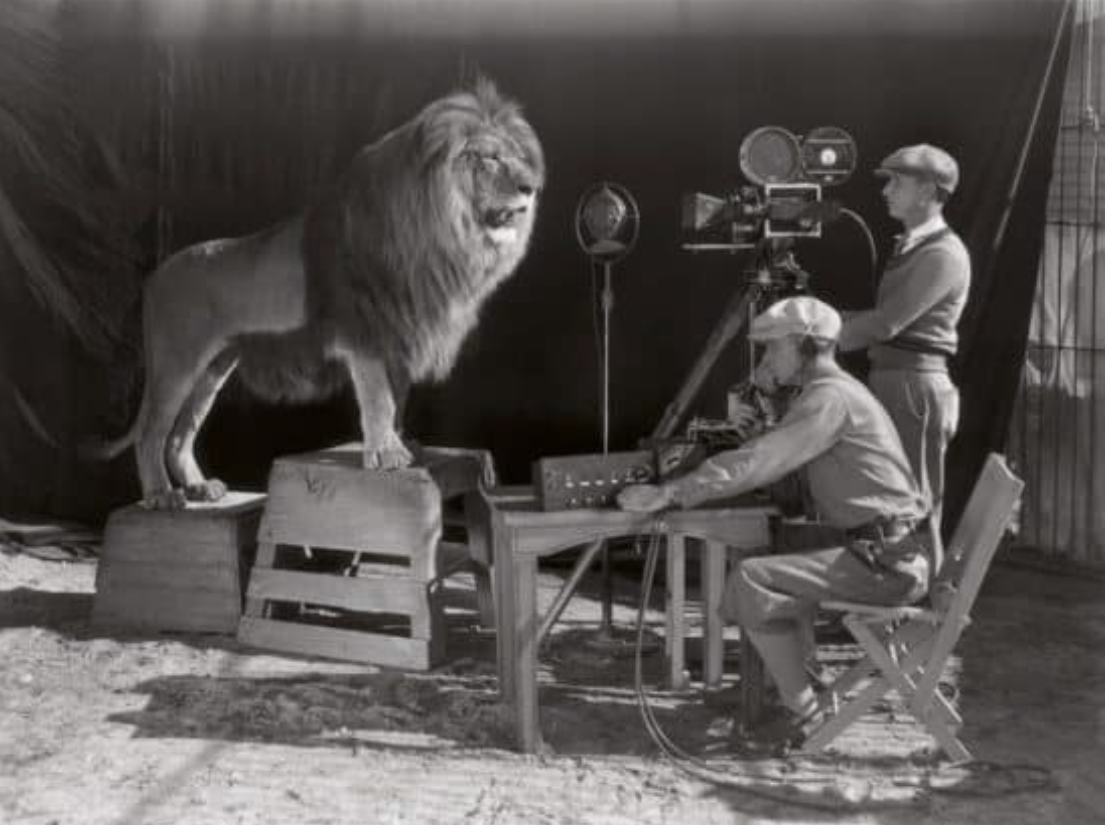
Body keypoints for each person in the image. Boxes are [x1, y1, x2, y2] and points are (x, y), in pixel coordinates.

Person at [617, 296, 931, 751]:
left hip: (885, 564)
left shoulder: (830, 400)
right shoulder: (829, 395)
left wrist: (671, 492)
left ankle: (807, 713)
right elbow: (785, 465)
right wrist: (769, 396)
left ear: (805, 347)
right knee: (773, 553)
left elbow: (762, 460)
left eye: (772, 350)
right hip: (884, 551)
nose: (765, 360)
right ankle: (795, 685)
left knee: (752, 579)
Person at [838, 144, 971, 541]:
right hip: (895, 381)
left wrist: (821, 336)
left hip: (915, 388)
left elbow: (887, 323)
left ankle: (929, 597)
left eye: (897, 181)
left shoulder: (943, 255)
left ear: (929, 191)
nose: (886, 190)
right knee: (893, 496)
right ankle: (898, 590)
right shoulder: (912, 244)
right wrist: (826, 318)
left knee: (916, 500)